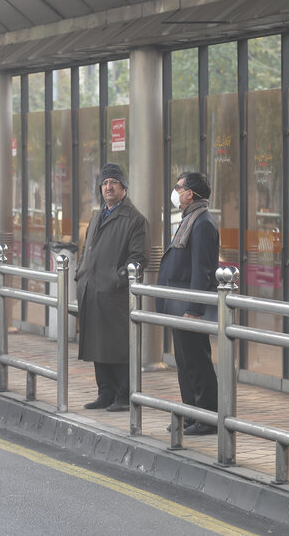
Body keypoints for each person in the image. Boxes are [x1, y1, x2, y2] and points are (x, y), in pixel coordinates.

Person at [74, 163, 147, 412]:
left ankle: (123, 395)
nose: (108, 187)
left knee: (117, 346)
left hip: (114, 292)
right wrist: (81, 272)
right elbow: (87, 249)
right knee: (97, 343)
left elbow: (138, 258)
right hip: (92, 288)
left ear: (123, 187)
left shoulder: (134, 219)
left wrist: (118, 279)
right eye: (105, 183)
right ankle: (104, 392)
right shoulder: (98, 215)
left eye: (113, 182)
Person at [156, 171, 220, 436]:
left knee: (197, 362)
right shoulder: (190, 218)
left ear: (190, 193)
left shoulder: (202, 222)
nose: (176, 192)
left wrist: (194, 309)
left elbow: (201, 270)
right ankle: (192, 413)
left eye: (179, 187)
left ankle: (208, 417)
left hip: (189, 307)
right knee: (184, 362)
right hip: (179, 304)